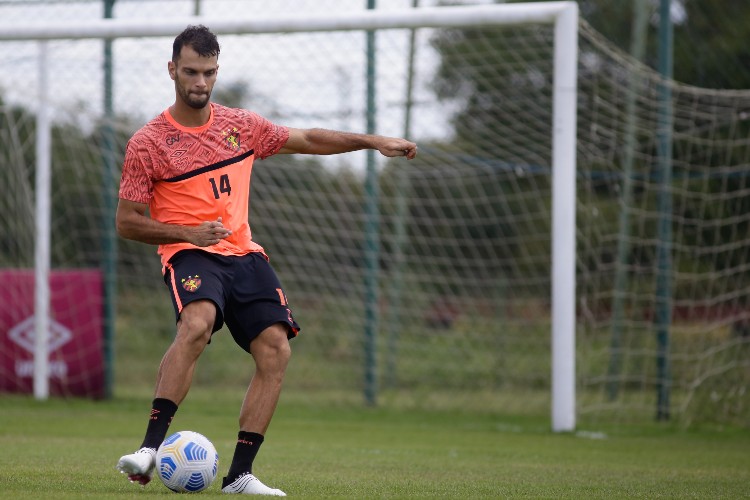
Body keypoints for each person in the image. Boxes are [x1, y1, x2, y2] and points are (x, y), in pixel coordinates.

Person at [114, 25, 416, 496]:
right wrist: (188, 232)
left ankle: (238, 476)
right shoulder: (147, 143)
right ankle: (151, 449)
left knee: (276, 349)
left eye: (209, 72)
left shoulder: (241, 126)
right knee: (197, 323)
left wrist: (373, 141)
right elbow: (127, 222)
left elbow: (309, 140)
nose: (200, 82)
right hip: (190, 252)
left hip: (243, 253)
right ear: (172, 69)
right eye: (191, 72)